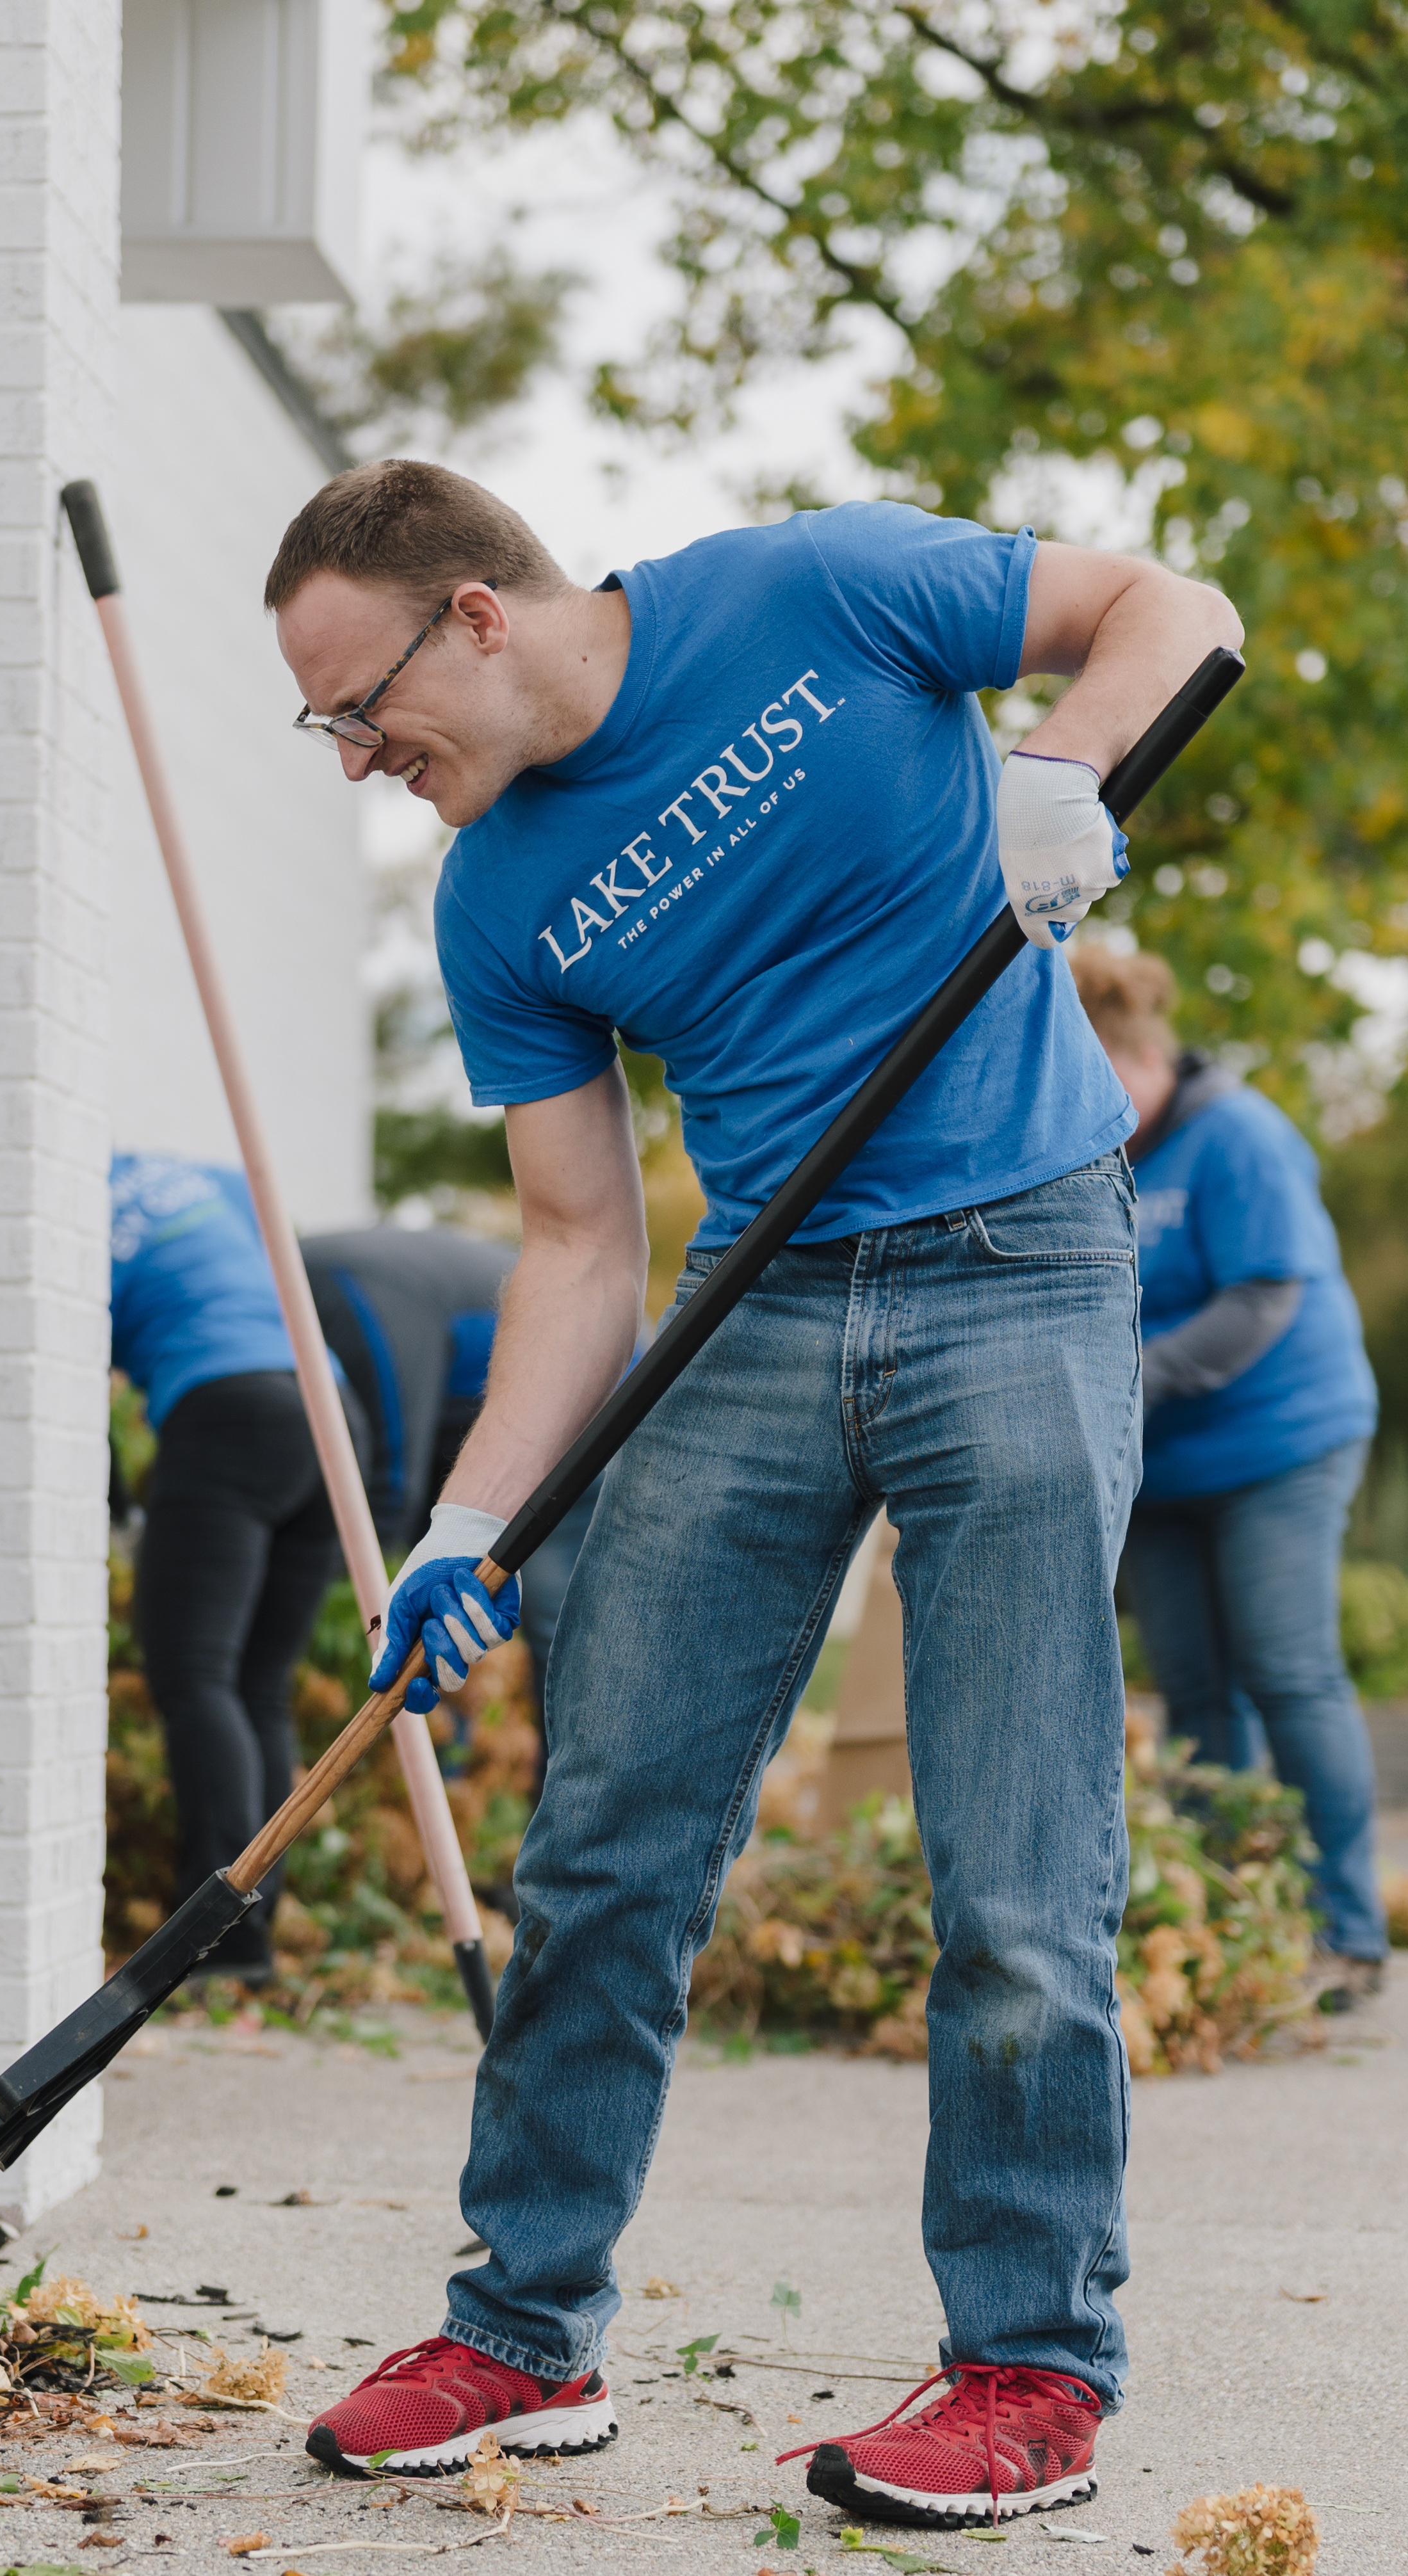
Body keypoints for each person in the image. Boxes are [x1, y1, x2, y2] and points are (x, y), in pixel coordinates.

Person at [263, 460, 1242, 2529]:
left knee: (1008, 1870)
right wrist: (466, 1523)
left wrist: (1055, 777)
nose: (360, 758)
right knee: (607, 1836)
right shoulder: (494, 895)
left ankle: (1027, 2368)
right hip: (753, 1307)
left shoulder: (820, 589)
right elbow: (571, 1244)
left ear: (475, 616)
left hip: (1019, 1261)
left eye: (360, 705)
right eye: (324, 731)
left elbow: (1176, 604)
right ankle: (518, 2328)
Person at [1068, 950, 1388, 2010]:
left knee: (1287, 1669)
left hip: (1280, 1442)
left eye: (1101, 1079)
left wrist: (1128, 1373)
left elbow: (1261, 1299)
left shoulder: (1236, 1135)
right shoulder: (1086, 1156)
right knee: (1193, 1689)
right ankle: (1234, 1916)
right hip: (1159, 1458)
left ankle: (1348, 1930)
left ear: (1143, 1057)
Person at [109, 1150, 355, 1985]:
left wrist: (112, 1503)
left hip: (227, 1407)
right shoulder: (208, 1175)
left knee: (195, 1674)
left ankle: (208, 1943)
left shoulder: (63, 1190)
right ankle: (249, 1939)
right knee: (258, 1682)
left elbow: (64, 1363)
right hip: (329, 1406)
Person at [302, 1223, 588, 1664]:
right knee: (441, 1603)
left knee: (559, 1623)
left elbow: (394, 1480)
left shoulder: (351, 1292)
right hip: (470, 1420)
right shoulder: (304, 1285)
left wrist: (353, 1609)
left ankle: (569, 1736)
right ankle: (452, 1723)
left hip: (591, 1390)